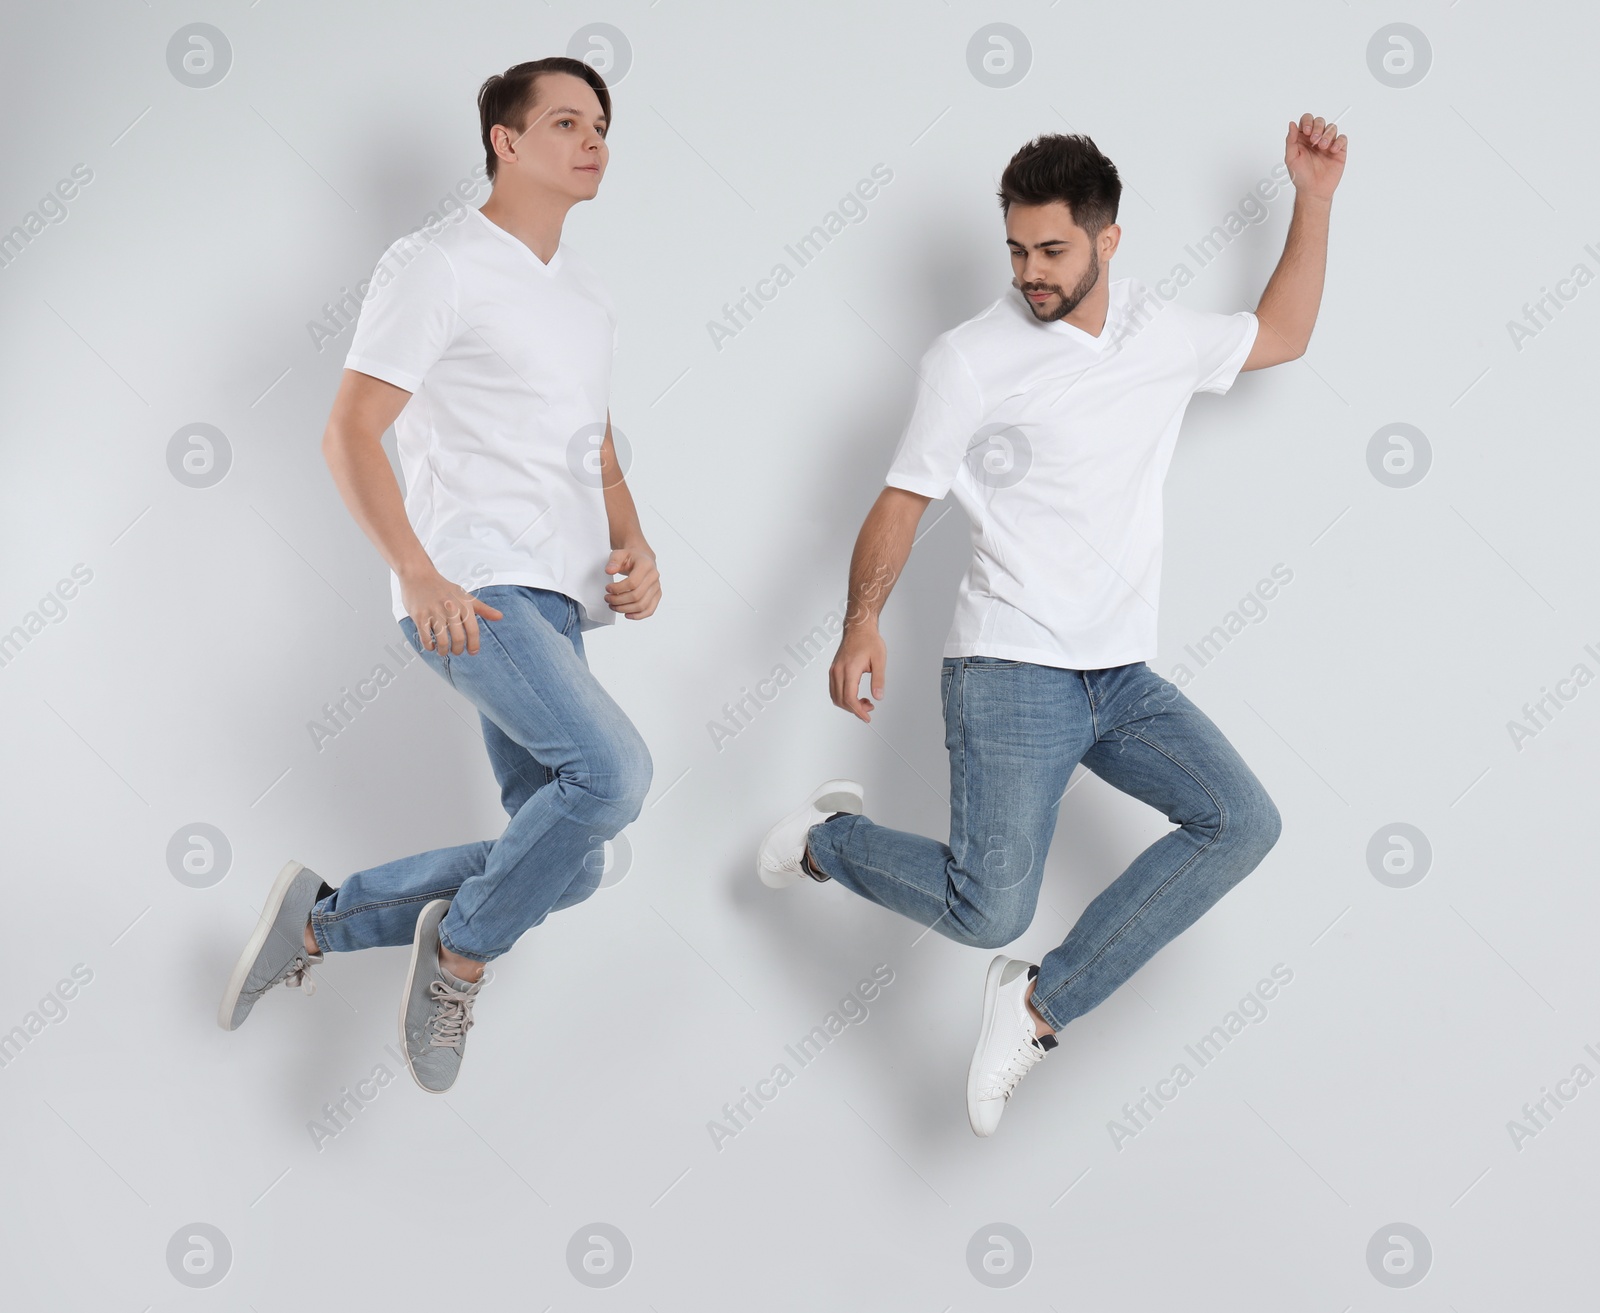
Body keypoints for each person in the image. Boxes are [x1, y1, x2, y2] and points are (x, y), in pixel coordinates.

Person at [758, 117, 1345, 1136]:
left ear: (1106, 240)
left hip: (1119, 676)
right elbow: (902, 498)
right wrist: (860, 621)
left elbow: (1281, 334)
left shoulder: (1160, 337)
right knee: (988, 907)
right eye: (1017, 250)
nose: (1030, 271)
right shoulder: (969, 358)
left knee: (1240, 821)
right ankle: (824, 840)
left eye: (1052, 250)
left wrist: (1315, 198)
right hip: (1010, 665)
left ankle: (1036, 1001)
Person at [219, 58, 660, 1094]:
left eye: (600, 123)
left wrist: (631, 543)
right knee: (615, 775)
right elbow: (350, 431)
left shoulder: (586, 297)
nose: (593, 140)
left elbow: (592, 448)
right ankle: (457, 958)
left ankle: (322, 919)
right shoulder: (439, 263)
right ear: (505, 142)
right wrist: (415, 572)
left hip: (556, 601)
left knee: (574, 853)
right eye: (565, 122)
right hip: (470, 588)